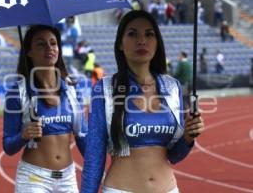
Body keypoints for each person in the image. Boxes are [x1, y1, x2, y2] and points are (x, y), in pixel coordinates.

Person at [81, 10, 204, 193]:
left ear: (157, 43)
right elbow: (94, 156)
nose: (142, 40)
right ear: (120, 44)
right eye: (132, 34)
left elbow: (174, 155)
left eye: (149, 34)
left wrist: (187, 136)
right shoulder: (104, 89)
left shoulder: (173, 87)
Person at [3, 25, 87, 193]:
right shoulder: (17, 92)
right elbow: (8, 146)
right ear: (29, 52)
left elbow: (83, 137)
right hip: (33, 179)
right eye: (41, 44)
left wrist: (99, 164)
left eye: (53, 43)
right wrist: (23, 135)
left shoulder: (71, 88)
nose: (49, 48)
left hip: (68, 178)